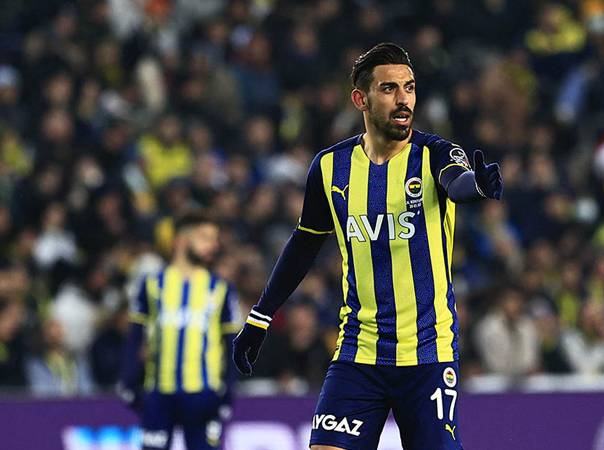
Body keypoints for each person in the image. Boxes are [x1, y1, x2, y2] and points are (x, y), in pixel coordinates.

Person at [232, 42, 503, 450]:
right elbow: (304, 244)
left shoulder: (435, 153)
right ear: (361, 99)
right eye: (389, 89)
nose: (403, 99)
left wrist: (476, 186)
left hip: (427, 356)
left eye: (409, 88)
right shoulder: (330, 167)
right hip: (358, 354)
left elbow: (457, 182)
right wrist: (260, 317)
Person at [119, 213, 240, 450]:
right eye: (205, 238)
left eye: (214, 239)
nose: (213, 246)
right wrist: (128, 381)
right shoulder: (152, 285)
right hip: (159, 394)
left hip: (204, 395)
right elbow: (134, 337)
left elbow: (232, 343)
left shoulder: (220, 289)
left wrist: (228, 390)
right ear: (182, 240)